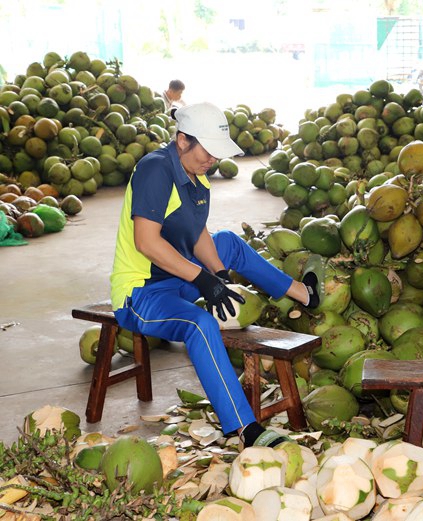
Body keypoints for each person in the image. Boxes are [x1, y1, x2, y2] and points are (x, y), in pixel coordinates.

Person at [110, 102, 322, 448]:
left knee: (228, 243)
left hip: (177, 274)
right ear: (182, 141)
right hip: (141, 293)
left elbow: (197, 233)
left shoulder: (197, 174)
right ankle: (245, 429)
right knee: (200, 325)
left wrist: (220, 274)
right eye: (208, 151)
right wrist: (202, 279)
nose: (213, 160)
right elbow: (146, 242)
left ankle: (303, 294)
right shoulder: (155, 171)